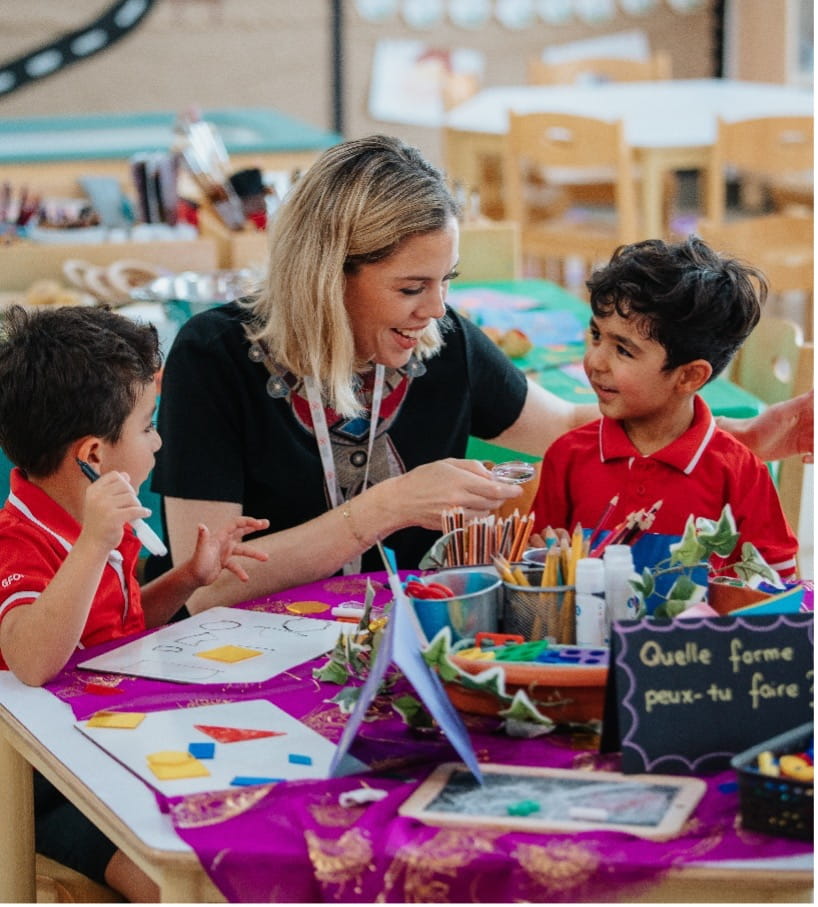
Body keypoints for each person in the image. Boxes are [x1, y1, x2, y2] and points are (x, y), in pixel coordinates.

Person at [152, 135, 810, 612]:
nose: (437, 308)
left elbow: (572, 427)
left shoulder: (442, 345)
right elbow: (208, 583)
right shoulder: (215, 356)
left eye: (446, 282)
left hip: (384, 641)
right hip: (231, 653)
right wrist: (388, 506)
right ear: (327, 278)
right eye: (413, 285)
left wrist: (749, 436)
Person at [0, 304, 269, 901]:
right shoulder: (20, 540)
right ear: (94, 456)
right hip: (43, 782)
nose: (160, 441)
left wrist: (186, 580)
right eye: (149, 425)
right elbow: (33, 659)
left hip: (111, 740)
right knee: (172, 882)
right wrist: (95, 544)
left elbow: (110, 631)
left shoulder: (102, 519)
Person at [531, 236, 799, 580]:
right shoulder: (566, 457)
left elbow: (777, 590)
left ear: (689, 376)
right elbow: (534, 569)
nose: (595, 360)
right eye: (597, 335)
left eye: (623, 351)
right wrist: (544, 558)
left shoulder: (741, 473)